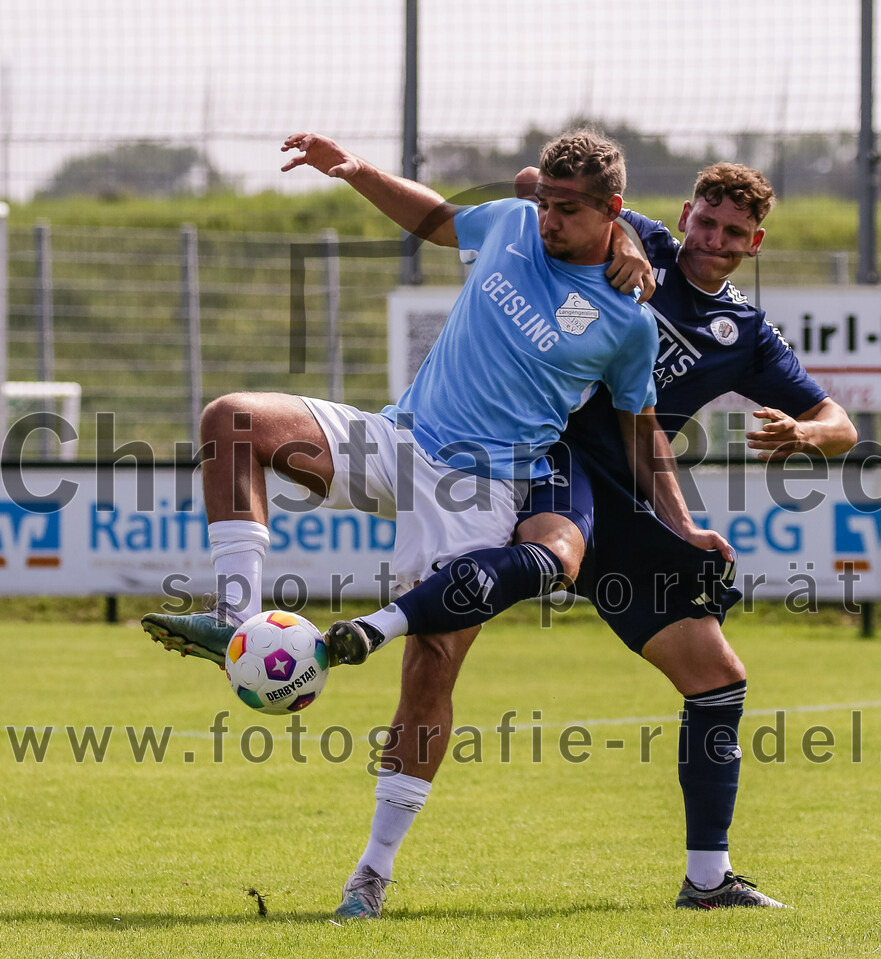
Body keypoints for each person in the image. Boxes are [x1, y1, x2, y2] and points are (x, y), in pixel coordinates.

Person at [141, 130, 732, 916]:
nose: (549, 219)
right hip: (398, 437)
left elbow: (641, 431)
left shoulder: (627, 325)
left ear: (610, 211)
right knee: (234, 420)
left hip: (481, 487)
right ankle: (237, 622)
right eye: (547, 203)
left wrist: (684, 526)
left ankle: (370, 875)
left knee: (430, 667)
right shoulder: (515, 224)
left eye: (567, 210)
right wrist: (355, 171)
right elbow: (434, 220)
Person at [327, 161, 857, 912]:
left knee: (718, 679)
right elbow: (534, 180)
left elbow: (844, 424)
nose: (713, 239)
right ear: (686, 211)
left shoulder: (745, 333)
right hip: (551, 459)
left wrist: (806, 432)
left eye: (733, 232)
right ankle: (374, 850)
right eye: (705, 221)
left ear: (755, 242)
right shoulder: (640, 238)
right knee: (440, 659)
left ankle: (707, 881)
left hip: (634, 497)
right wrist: (627, 240)